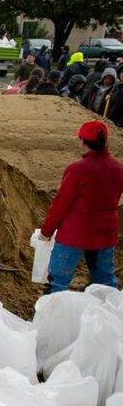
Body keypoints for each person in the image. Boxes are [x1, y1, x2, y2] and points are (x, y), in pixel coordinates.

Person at [38, 120, 123, 292]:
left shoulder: (78, 170)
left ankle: (53, 315)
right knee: (105, 280)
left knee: (58, 281)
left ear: (84, 142)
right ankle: (111, 312)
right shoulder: (118, 168)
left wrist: (46, 232)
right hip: (106, 233)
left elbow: (61, 204)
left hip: (75, 232)